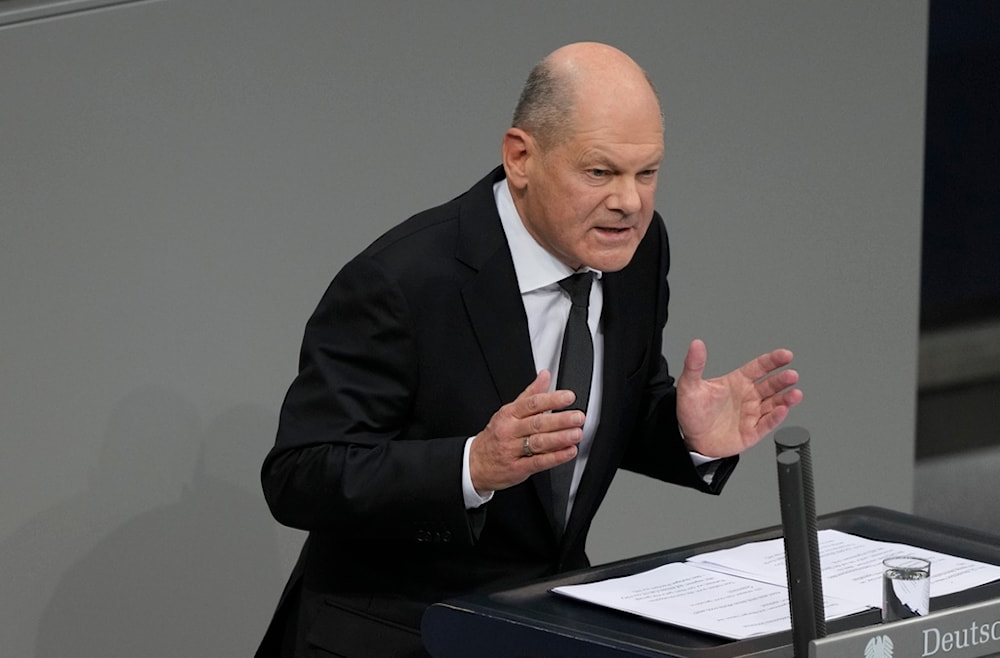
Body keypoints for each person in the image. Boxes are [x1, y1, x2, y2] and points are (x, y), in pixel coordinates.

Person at [256, 41, 802, 657]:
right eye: (600, 172)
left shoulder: (635, 250)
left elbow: (591, 416)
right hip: (398, 636)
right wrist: (471, 466)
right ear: (521, 157)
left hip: (541, 627)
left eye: (646, 172)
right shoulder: (404, 282)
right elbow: (299, 475)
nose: (629, 201)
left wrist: (683, 433)